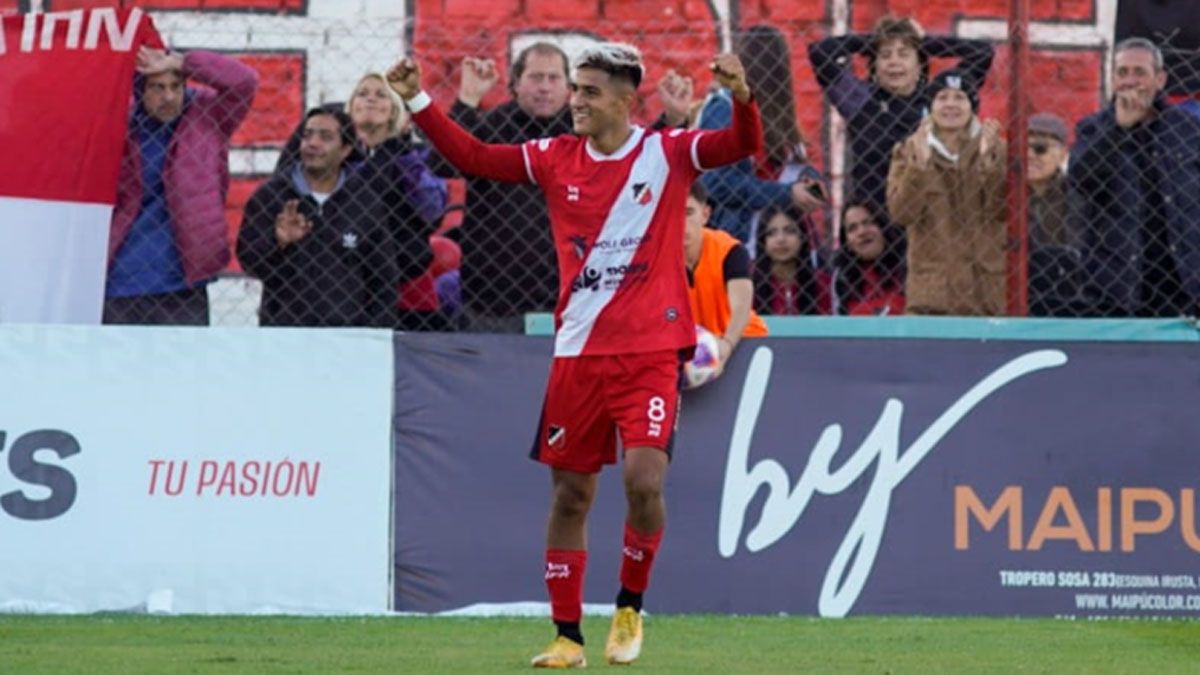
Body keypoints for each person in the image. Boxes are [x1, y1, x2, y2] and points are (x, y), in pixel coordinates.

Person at [386, 43, 762, 667]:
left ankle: (628, 608)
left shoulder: (665, 152)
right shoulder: (553, 157)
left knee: (645, 482)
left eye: (588, 91)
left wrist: (744, 99)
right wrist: (417, 98)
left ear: (622, 99)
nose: (575, 101)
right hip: (579, 352)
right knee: (570, 496)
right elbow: (473, 157)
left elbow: (738, 146)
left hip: (648, 352)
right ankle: (566, 635)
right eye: (574, 89)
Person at [106, 47, 258, 325]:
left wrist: (183, 61)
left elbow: (244, 81)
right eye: (157, 87)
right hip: (121, 277)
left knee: (184, 367)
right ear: (140, 91)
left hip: (183, 281)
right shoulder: (120, 125)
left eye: (176, 86)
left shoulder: (208, 115)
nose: (168, 97)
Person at [430, 43, 573, 332]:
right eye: (535, 77)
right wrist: (468, 100)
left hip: (570, 301)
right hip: (493, 302)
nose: (544, 87)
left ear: (569, 87)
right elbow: (442, 164)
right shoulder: (492, 126)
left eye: (553, 78)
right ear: (516, 84)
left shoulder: (585, 131)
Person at [809, 16, 993, 232]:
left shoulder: (940, 101)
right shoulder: (860, 99)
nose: (894, 61)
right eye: (885, 55)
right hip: (875, 226)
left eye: (904, 54)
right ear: (875, 65)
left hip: (930, 223)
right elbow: (820, 52)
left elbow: (982, 52)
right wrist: (874, 41)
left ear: (919, 63)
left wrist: (921, 42)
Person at [1068, 37, 1200, 317]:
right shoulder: (1093, 128)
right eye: (1122, 72)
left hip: (1182, 282)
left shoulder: (1187, 129)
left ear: (1160, 79)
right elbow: (1080, 179)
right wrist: (1117, 130)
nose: (1130, 81)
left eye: (1139, 72)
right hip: (1116, 286)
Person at [237, 108, 397, 327]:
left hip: (348, 337)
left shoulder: (365, 202)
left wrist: (374, 333)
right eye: (308, 134)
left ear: (345, 150)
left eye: (325, 137)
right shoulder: (271, 195)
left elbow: (384, 279)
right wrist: (278, 243)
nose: (312, 143)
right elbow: (250, 261)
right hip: (284, 334)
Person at [887, 70, 1007, 316]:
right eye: (942, 97)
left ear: (972, 106)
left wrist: (988, 164)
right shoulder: (907, 150)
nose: (950, 104)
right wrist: (918, 168)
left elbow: (1001, 210)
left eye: (959, 98)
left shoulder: (997, 147)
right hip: (932, 298)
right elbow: (901, 213)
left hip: (985, 294)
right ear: (931, 106)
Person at [697, 25, 825, 246]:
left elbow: (790, 163)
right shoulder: (724, 108)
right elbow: (717, 183)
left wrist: (810, 180)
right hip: (738, 240)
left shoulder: (778, 112)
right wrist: (786, 194)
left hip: (781, 246)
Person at [684, 182, 768, 371]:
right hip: (696, 354)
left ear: (705, 215)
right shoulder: (658, 257)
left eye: (689, 213)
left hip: (743, 343)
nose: (681, 223)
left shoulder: (729, 250)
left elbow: (741, 307)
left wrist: (726, 345)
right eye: (672, 214)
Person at [1025, 112, 1082, 316]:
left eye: (1040, 148)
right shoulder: (1002, 194)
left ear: (1062, 154)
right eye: (1023, 148)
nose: (1030, 155)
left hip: (1069, 295)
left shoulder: (1079, 197)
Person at [829, 201, 905, 315]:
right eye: (852, 228)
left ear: (882, 229)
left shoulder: (906, 266)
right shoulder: (841, 278)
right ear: (847, 243)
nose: (862, 232)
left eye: (868, 222)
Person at [752, 205, 823, 315]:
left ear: (802, 238)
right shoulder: (748, 286)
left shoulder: (823, 283)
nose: (781, 239)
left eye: (790, 231)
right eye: (771, 233)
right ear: (763, 242)